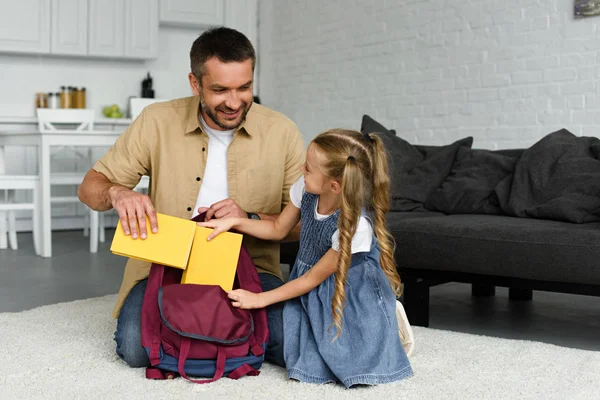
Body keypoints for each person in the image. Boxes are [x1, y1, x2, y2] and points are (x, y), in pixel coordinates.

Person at [78, 27, 305, 368]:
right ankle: (216, 342)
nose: (233, 101)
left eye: (244, 87)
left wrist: (249, 218)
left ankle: (197, 341)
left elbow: (301, 226)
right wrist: (117, 192)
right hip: (166, 265)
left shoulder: (282, 131)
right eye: (220, 89)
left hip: (251, 268)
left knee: (293, 345)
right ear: (195, 83)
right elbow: (89, 188)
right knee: (136, 349)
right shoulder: (157, 120)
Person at [198, 129, 414, 388]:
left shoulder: (355, 225)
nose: (302, 168)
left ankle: (384, 320)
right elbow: (278, 228)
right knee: (289, 341)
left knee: (337, 358)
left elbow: (313, 278)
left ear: (334, 186)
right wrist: (235, 222)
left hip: (344, 290)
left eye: (309, 168)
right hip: (310, 282)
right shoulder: (306, 188)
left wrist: (258, 299)